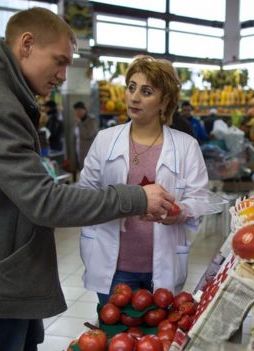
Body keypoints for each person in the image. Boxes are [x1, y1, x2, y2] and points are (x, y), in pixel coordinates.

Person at [0, 8, 174, 351]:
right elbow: (46, 202)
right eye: (59, 61)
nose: (64, 75)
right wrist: (137, 198)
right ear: (27, 44)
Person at [78, 55, 209, 303]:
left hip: (162, 266)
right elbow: (85, 194)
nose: (135, 97)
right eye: (131, 87)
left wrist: (178, 211)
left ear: (165, 101)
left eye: (146, 91)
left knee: (157, 339)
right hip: (113, 265)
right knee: (115, 337)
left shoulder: (186, 146)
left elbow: (201, 199)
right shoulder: (105, 140)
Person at [73, 101, 99, 169]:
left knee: (88, 170)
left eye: (79, 111)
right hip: (79, 149)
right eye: (76, 111)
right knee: (81, 168)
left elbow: (88, 134)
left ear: (84, 110)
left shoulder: (91, 121)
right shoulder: (79, 121)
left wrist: (79, 123)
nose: (77, 113)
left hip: (88, 151)